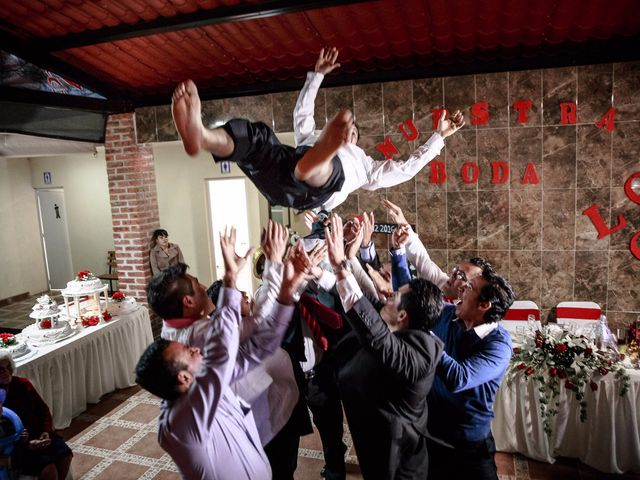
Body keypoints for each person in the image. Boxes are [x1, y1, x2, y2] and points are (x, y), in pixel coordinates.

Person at [171, 48, 465, 211]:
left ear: (355, 142)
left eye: (351, 135)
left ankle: (319, 160)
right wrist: (317, 77)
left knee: (329, 170)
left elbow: (406, 168)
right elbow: (302, 112)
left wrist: (438, 137)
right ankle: (202, 136)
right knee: (258, 137)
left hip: (317, 190)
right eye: (347, 134)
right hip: (287, 174)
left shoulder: (365, 166)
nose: (351, 136)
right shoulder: (311, 136)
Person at [136, 225, 309, 479]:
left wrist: (284, 292)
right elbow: (255, 327)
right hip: (265, 410)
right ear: (188, 302)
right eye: (197, 285)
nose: (205, 287)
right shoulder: (201, 340)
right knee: (283, 467)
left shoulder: (172, 331)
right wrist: (254, 272)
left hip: (252, 418)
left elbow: (255, 348)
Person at [323, 213, 444, 478]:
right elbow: (367, 297)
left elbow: (378, 338)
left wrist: (340, 267)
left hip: (398, 463)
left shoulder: (421, 356)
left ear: (404, 316)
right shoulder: (404, 326)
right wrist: (347, 259)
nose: (387, 296)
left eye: (394, 297)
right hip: (377, 444)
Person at [427, 264, 515, 480]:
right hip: (432, 436)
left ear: (484, 305)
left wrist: (425, 335)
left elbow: (459, 377)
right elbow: (417, 307)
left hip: (469, 447)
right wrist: (400, 254)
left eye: (470, 287)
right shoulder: (451, 316)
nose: (462, 288)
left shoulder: (499, 346)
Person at [0, 352, 72, 480]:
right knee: (48, 470)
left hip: (38, 434)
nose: (6, 372)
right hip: (17, 445)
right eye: (0, 369)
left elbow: (43, 409)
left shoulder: (23, 384)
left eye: (8, 367)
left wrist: (46, 432)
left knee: (64, 454)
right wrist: (24, 442)